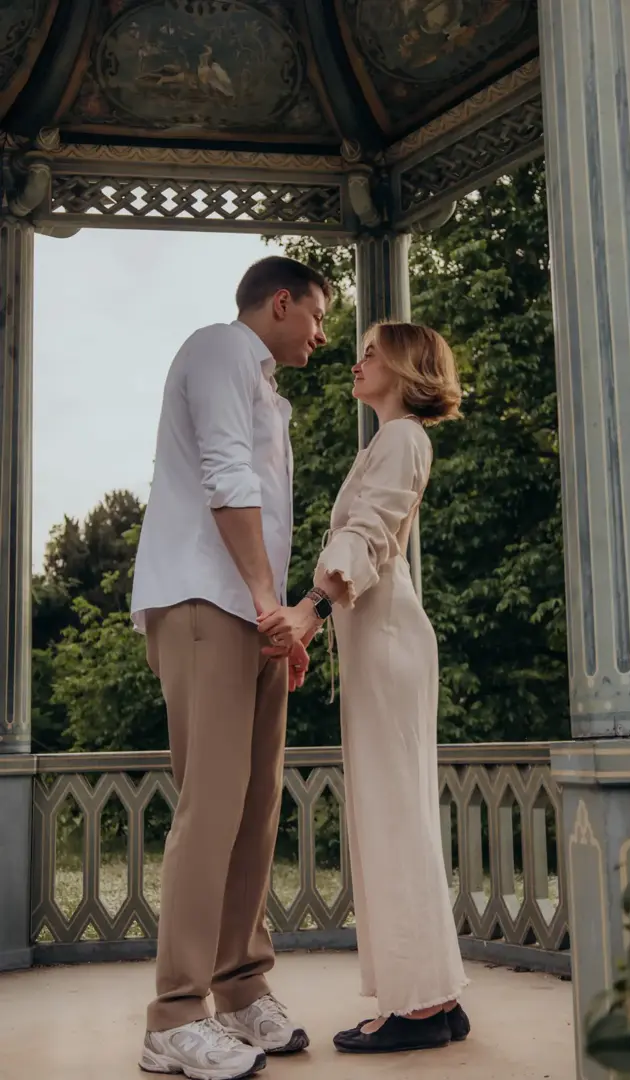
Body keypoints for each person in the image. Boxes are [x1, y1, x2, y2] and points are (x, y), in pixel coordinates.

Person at [131, 256, 331, 1080]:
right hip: (203, 602)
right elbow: (224, 476)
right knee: (211, 807)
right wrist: (264, 602)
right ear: (280, 303)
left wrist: (278, 624)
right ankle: (175, 1016)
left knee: (254, 808)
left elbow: (263, 510)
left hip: (250, 615)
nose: (323, 334)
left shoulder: (268, 392)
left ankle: (242, 987)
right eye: (317, 315)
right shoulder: (218, 348)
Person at [258, 321, 471, 1055]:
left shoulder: (402, 438)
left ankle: (418, 1008)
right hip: (379, 641)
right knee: (397, 813)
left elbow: (370, 535)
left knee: (392, 816)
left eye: (372, 352)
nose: (357, 361)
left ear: (407, 367)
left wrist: (309, 611)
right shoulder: (391, 441)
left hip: (385, 643)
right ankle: (435, 996)